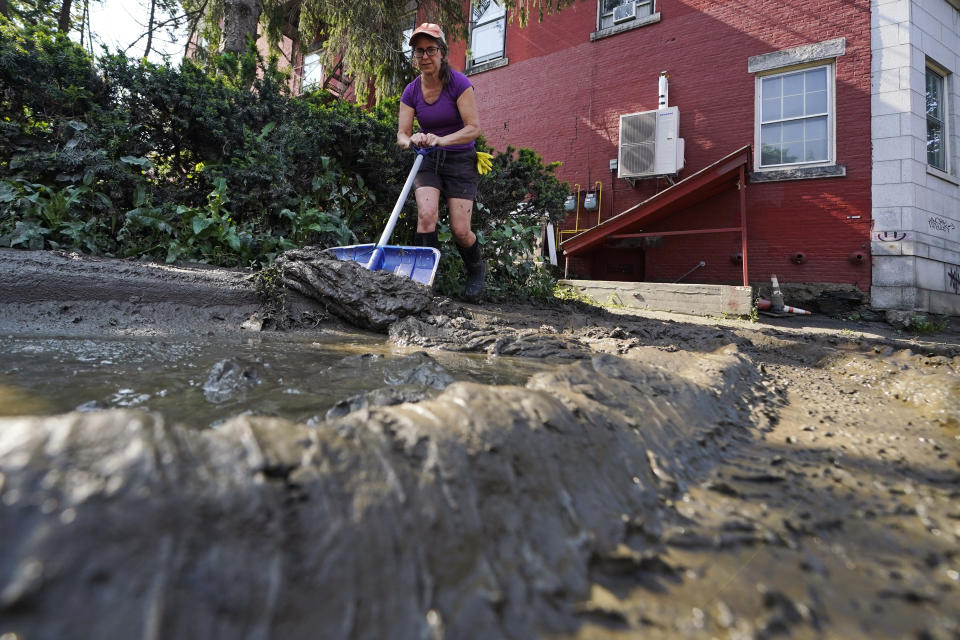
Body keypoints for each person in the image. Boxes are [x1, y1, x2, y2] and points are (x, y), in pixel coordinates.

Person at [397, 23, 485, 298]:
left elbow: (473, 128)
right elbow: (402, 134)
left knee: (461, 230)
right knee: (426, 217)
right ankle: (424, 284)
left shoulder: (458, 83)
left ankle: (476, 271)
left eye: (430, 50)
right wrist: (412, 140)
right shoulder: (411, 91)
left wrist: (440, 139)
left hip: (460, 159)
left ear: (442, 52)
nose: (424, 56)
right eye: (419, 51)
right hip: (428, 160)